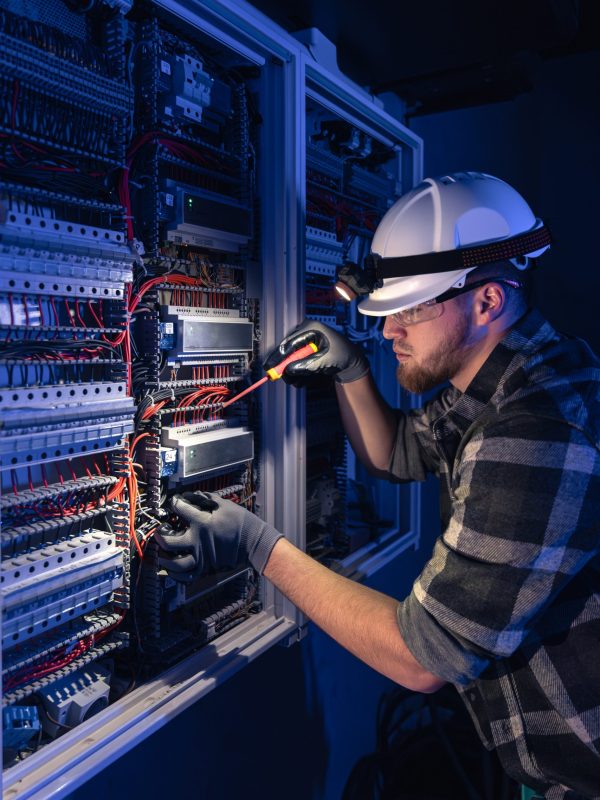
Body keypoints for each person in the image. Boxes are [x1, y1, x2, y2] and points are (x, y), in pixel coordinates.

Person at [156, 172, 600, 798]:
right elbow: (398, 453)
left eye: (409, 310)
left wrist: (259, 547)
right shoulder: (508, 379)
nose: (390, 331)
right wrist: (352, 369)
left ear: (487, 301)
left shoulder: (536, 434)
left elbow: (421, 659)